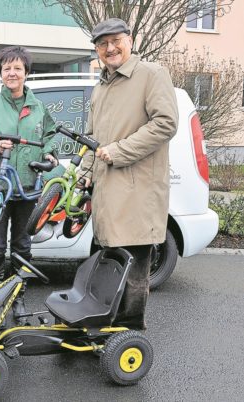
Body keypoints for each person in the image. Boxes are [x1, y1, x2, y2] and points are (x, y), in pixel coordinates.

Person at [78, 18, 178, 330]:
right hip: (108, 194)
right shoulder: (100, 88)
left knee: (134, 273)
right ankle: (109, 329)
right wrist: (83, 176)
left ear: (129, 40)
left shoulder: (151, 75)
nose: (110, 48)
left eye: (115, 41)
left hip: (137, 195)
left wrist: (119, 151)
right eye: (102, 44)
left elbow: (166, 123)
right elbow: (92, 139)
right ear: (97, 50)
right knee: (111, 268)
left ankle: (129, 337)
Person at [0, 46, 58, 326]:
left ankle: (17, 296)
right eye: (7, 68)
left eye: (17, 68)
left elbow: (51, 135)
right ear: (1, 74)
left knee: (22, 245)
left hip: (28, 187)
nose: (11, 73)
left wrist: (49, 152)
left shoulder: (39, 107)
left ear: (26, 73)